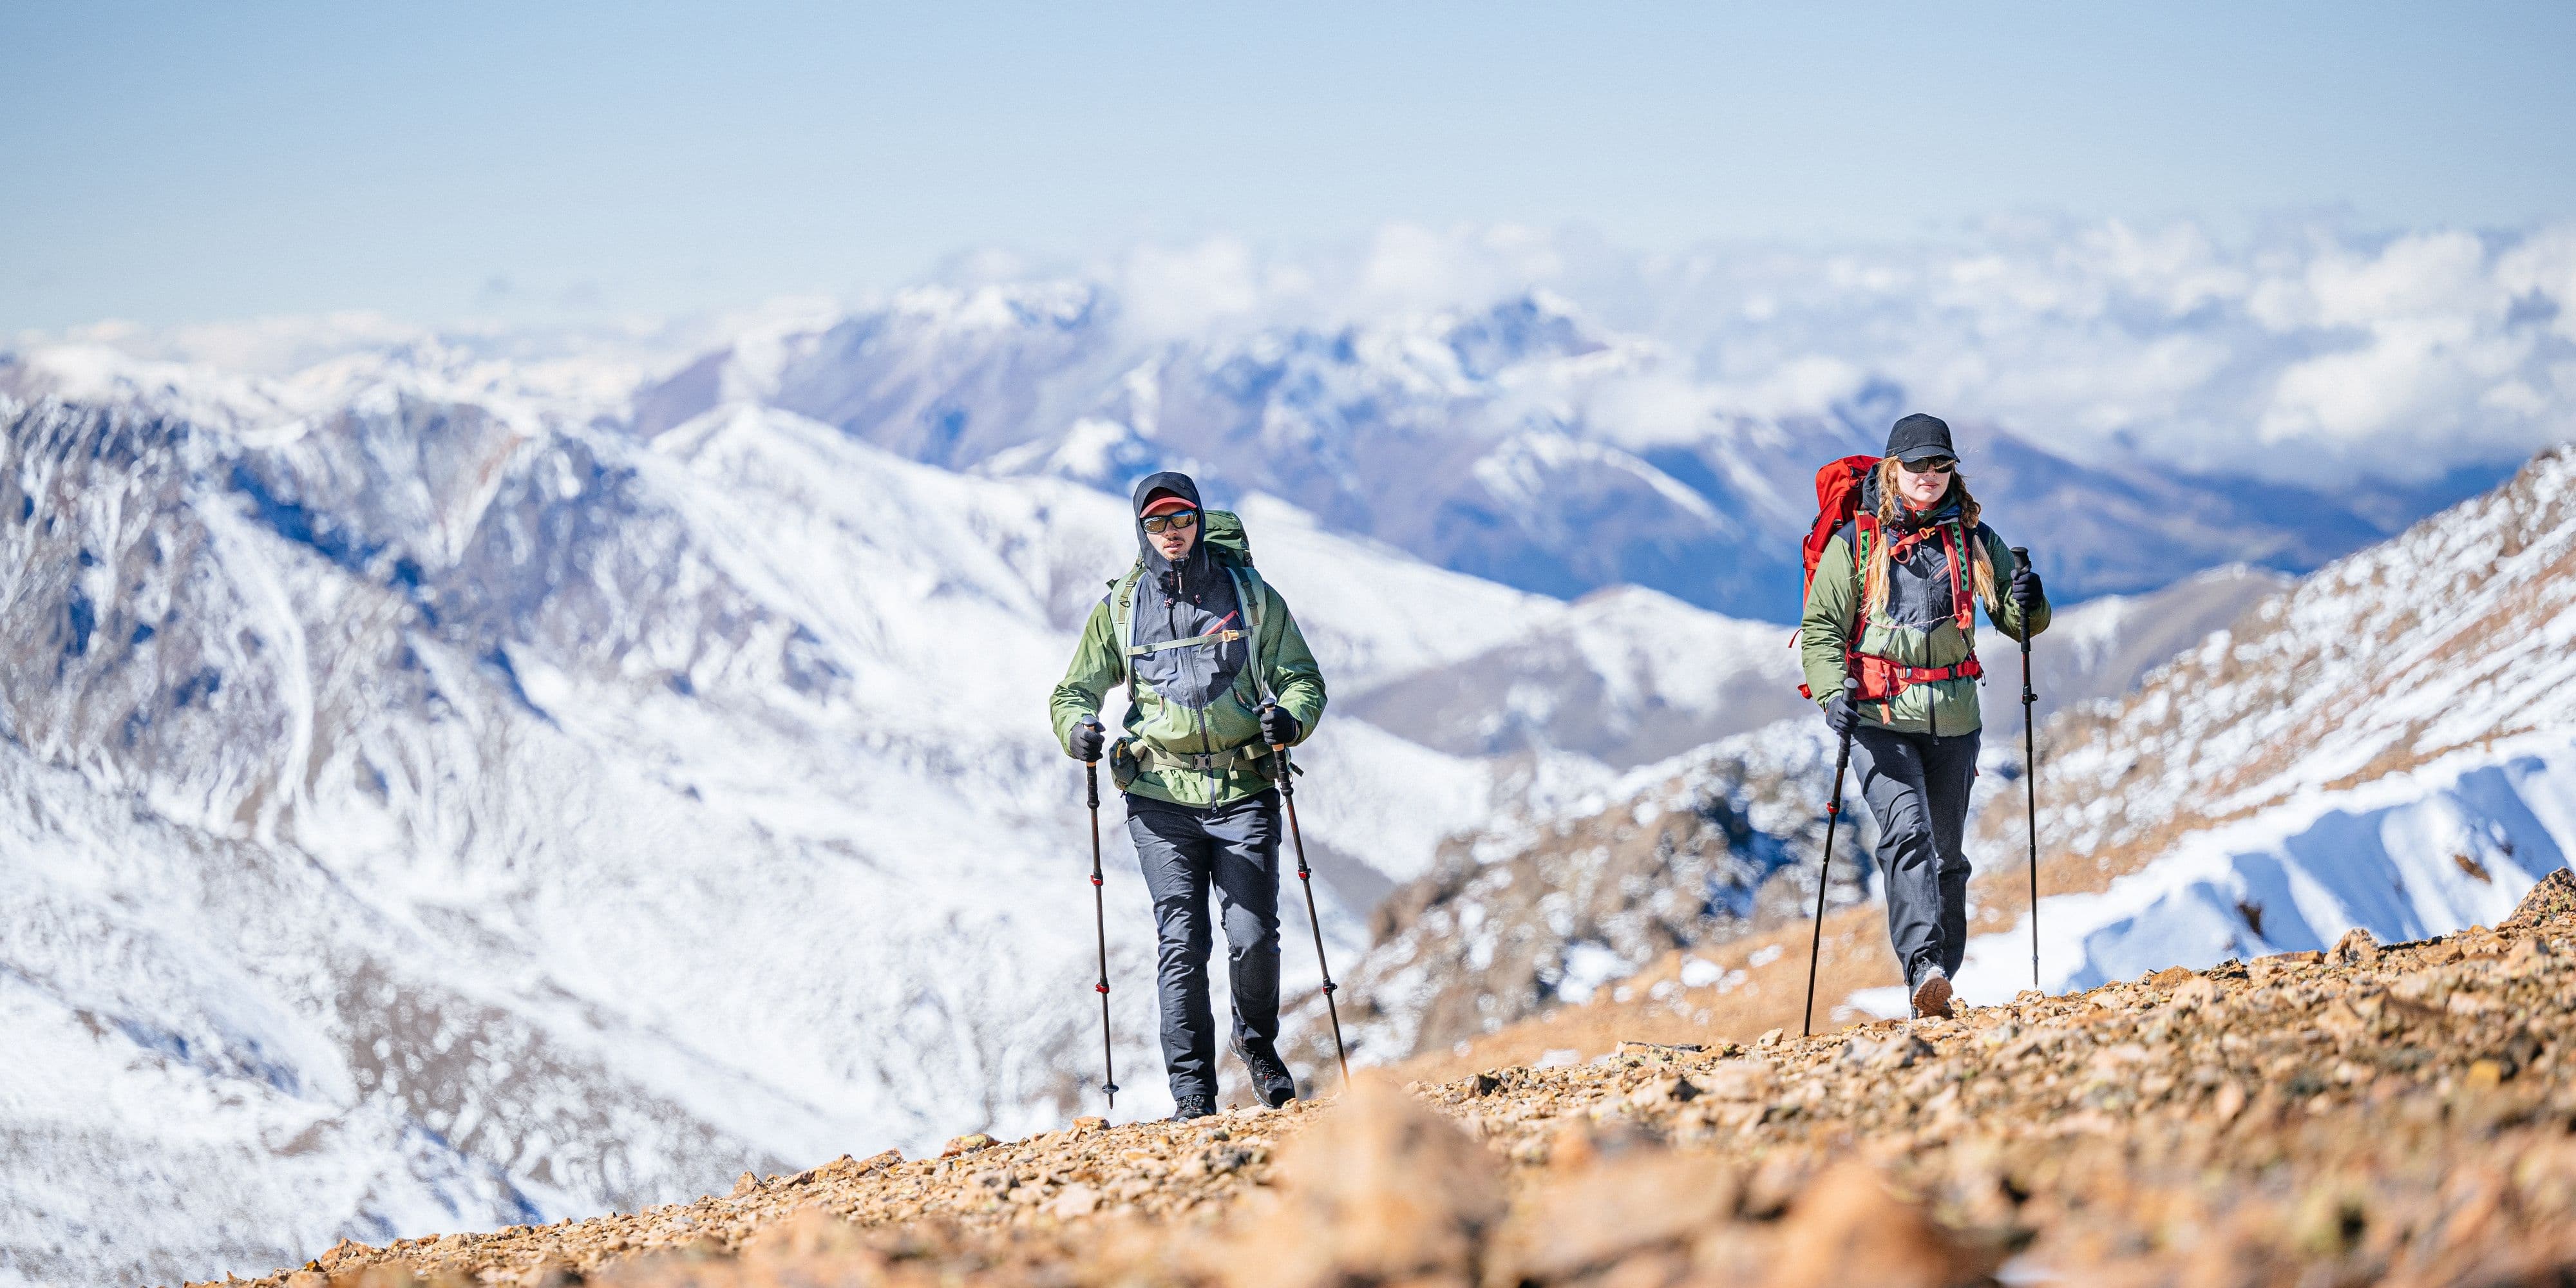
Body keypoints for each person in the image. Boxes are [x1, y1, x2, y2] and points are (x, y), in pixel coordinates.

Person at [1050, 471, 1328, 1120]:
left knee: (1253, 934)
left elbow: (1300, 677)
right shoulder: (1121, 607)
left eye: (1181, 520)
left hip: (1244, 786)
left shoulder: (1251, 597)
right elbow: (1072, 692)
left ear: (1200, 521)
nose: (1171, 533)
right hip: (1158, 796)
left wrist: (1290, 719)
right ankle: (1192, 1094)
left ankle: (1256, 1045)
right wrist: (1078, 730)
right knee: (1182, 939)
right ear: (1141, 531)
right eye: (1157, 523)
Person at [1798, 414, 2050, 1020]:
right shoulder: (1857, 542)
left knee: (1948, 857)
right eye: (1917, 465)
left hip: (1955, 722)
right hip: (1878, 719)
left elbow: (2017, 625)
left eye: (1941, 464)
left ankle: (1938, 986)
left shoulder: (1971, 538)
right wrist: (1835, 693)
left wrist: (2029, 602)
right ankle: (1924, 969)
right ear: (1893, 469)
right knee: (1906, 833)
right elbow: (1822, 627)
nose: (1930, 476)